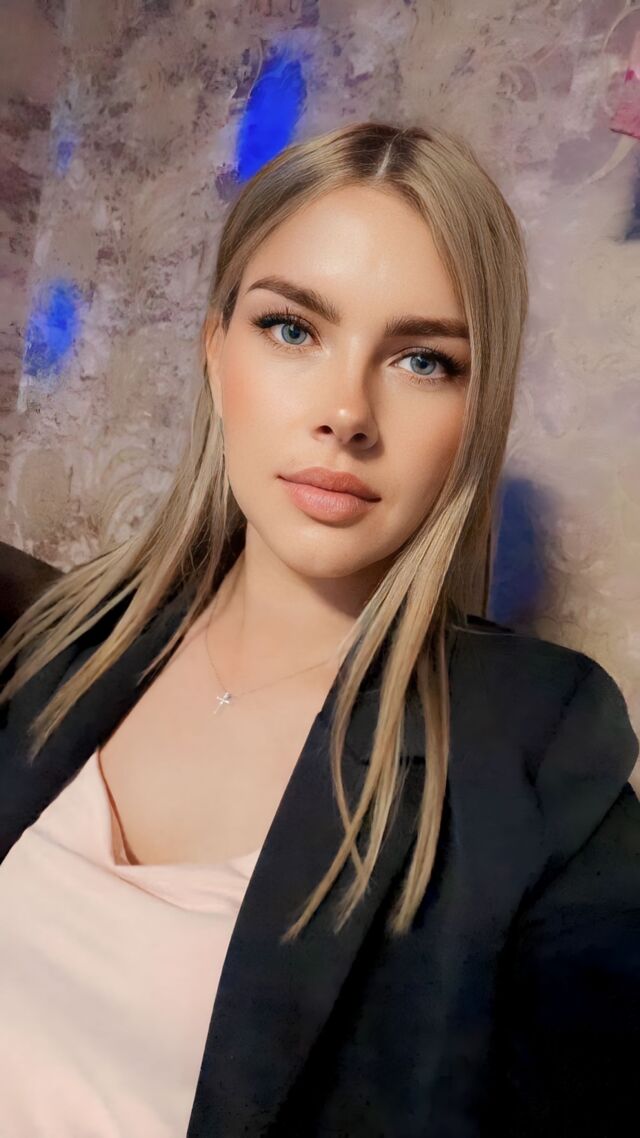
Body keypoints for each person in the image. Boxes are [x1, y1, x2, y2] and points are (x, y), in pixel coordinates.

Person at [0, 120, 637, 1138]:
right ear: (216, 352)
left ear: (478, 411)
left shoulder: (535, 745)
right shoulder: (68, 637)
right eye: (293, 329)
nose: (346, 412)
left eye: (423, 359)